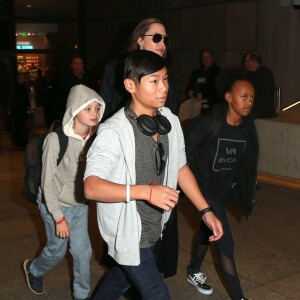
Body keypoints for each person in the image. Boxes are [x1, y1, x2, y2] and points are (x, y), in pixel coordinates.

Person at [84, 50, 223, 300]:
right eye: (154, 80)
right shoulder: (113, 132)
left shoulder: (168, 121)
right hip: (128, 233)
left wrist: (205, 210)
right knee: (157, 293)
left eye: (166, 79)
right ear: (130, 85)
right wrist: (146, 192)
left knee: (119, 280)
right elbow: (91, 187)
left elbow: (180, 167)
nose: (163, 87)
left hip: (155, 226)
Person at [23, 84, 105, 300]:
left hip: (79, 206)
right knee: (56, 251)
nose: (94, 113)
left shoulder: (95, 140)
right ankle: (34, 269)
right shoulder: (55, 140)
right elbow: (47, 183)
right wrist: (58, 218)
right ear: (74, 109)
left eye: (97, 108)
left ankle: (81, 295)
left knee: (82, 252)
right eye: (88, 109)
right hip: (55, 205)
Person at [184, 66, 258, 300]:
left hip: (222, 189)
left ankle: (193, 271)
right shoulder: (210, 123)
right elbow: (183, 150)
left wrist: (245, 187)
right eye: (243, 96)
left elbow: (246, 163)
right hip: (204, 188)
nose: (248, 102)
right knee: (225, 242)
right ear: (228, 97)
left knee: (208, 231)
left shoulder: (247, 129)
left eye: (252, 98)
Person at [100, 17, 179, 120]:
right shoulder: (115, 70)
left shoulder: (166, 76)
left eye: (166, 40)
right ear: (140, 40)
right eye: (157, 37)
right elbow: (104, 107)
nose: (162, 43)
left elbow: (172, 112)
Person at [57, 55, 96, 120]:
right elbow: (61, 98)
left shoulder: (88, 79)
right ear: (72, 66)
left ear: (83, 66)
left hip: (86, 112)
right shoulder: (65, 80)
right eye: (76, 64)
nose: (78, 66)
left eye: (80, 64)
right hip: (70, 113)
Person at [243, 51, 276, 118]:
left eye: (247, 61)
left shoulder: (266, 74)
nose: (245, 63)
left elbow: (265, 96)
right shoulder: (248, 74)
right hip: (253, 107)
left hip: (263, 110)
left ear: (253, 61)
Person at [7, 72, 31, 148]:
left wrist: (28, 106)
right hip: (16, 109)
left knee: (22, 125)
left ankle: (20, 141)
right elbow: (11, 97)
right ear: (18, 78)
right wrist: (9, 108)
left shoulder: (23, 86)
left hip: (23, 109)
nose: (23, 79)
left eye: (24, 78)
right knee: (19, 125)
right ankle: (20, 142)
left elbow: (26, 97)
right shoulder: (14, 86)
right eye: (22, 78)